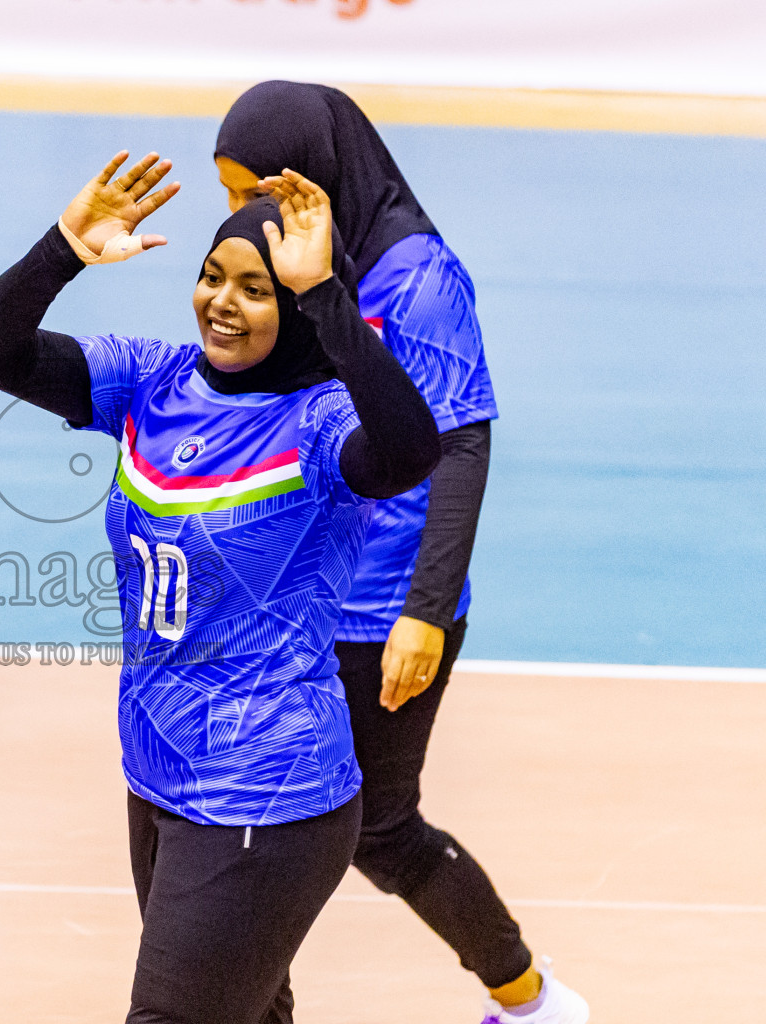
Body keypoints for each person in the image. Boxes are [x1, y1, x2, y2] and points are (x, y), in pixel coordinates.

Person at [0, 150, 439, 1023]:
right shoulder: (151, 380)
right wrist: (64, 247)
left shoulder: (322, 423)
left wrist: (330, 298)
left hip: (264, 791)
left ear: (293, 306)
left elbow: (411, 450)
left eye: (255, 289)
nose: (222, 301)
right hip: (158, 773)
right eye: (212, 276)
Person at [214, 80, 589, 1024]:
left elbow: (463, 441)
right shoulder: (290, 270)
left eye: (254, 189)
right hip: (297, 595)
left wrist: (426, 610)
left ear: (318, 176)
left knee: (378, 829)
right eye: (230, 196)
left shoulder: (414, 276)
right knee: (258, 826)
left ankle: (529, 999)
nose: (243, 216)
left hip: (384, 610)